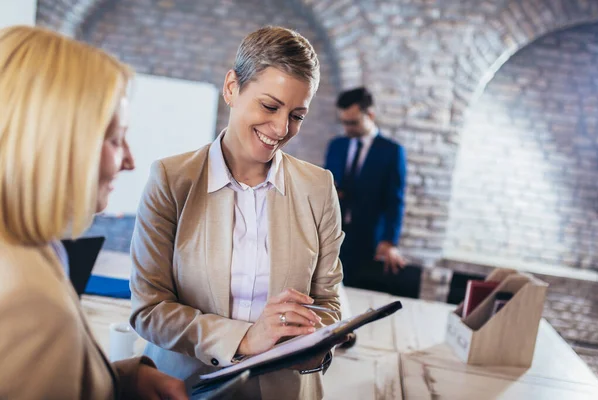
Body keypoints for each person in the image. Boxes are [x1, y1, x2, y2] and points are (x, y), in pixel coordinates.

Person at [129, 26, 344, 399]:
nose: (281, 128)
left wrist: (311, 336)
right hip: (185, 387)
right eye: (270, 106)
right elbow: (150, 310)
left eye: (297, 115)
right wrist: (245, 338)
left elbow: (328, 303)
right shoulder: (171, 180)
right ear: (232, 87)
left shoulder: (318, 187)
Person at [0, 26, 187, 400]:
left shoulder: (32, 244)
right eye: (116, 139)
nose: (131, 161)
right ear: (57, 143)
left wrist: (124, 380)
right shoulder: (26, 303)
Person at [324, 87, 407, 288]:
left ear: (370, 115)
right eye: (343, 122)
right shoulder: (336, 145)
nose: (347, 128)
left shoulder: (392, 151)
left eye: (352, 122)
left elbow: (394, 200)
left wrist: (389, 241)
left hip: (367, 240)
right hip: (331, 237)